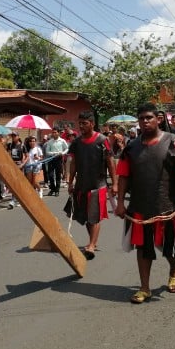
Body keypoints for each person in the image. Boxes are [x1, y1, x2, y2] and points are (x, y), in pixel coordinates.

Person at [114, 102, 175, 303]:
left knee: (168, 247)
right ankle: (144, 288)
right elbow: (123, 175)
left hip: (167, 206)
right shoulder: (131, 146)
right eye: (141, 118)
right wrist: (121, 203)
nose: (145, 121)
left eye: (149, 117)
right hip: (139, 208)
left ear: (158, 119)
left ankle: (174, 271)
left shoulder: (174, 142)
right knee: (143, 247)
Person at [67, 111, 118, 260]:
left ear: (92, 123)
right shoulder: (76, 142)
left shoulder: (102, 140)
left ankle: (91, 245)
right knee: (85, 217)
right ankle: (93, 242)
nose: (81, 126)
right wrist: (70, 182)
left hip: (98, 184)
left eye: (85, 123)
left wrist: (114, 184)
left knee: (94, 217)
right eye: (80, 123)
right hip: (82, 184)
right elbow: (74, 163)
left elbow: (110, 162)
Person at [44, 128, 68, 197]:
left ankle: (57, 190)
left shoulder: (62, 141)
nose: (53, 134)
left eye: (55, 132)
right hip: (51, 159)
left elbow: (67, 148)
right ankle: (52, 189)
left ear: (58, 133)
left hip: (59, 159)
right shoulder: (50, 142)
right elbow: (47, 151)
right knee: (50, 175)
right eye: (53, 132)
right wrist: (54, 153)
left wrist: (62, 153)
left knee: (58, 175)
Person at [6, 132, 27, 209]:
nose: (13, 137)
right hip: (12, 165)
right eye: (12, 136)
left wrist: (22, 164)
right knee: (13, 183)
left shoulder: (22, 146)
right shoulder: (10, 145)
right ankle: (14, 199)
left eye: (15, 136)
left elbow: (27, 156)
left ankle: (16, 199)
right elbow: (6, 153)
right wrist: (7, 137)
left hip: (20, 165)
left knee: (18, 183)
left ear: (18, 136)